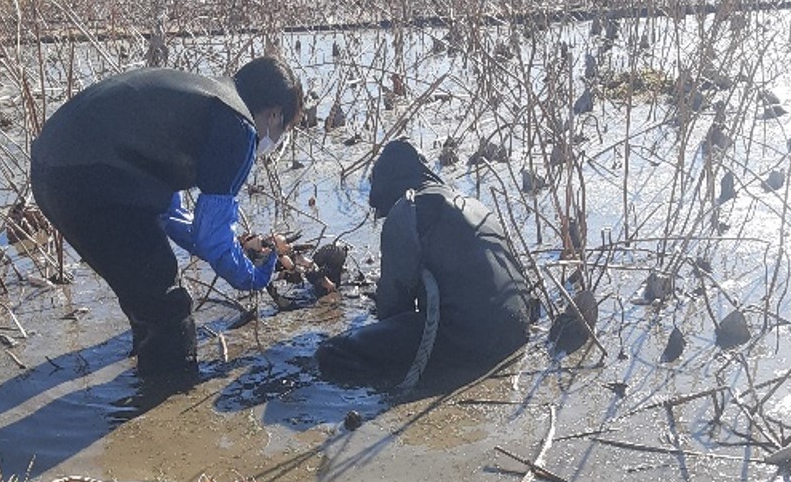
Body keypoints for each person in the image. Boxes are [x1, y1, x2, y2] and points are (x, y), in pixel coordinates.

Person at [30, 57, 304, 375]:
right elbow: (211, 236)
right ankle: (168, 395)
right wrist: (248, 276)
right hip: (92, 184)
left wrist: (233, 249)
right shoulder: (239, 126)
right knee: (167, 308)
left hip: (51, 174)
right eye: (286, 127)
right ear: (274, 113)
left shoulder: (199, 96)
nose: (279, 137)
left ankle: (148, 371)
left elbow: (169, 214)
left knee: (143, 286)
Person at [316, 139, 532, 389]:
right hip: (516, 334)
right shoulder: (472, 204)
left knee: (331, 353)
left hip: (469, 341)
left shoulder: (409, 208)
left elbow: (392, 307)